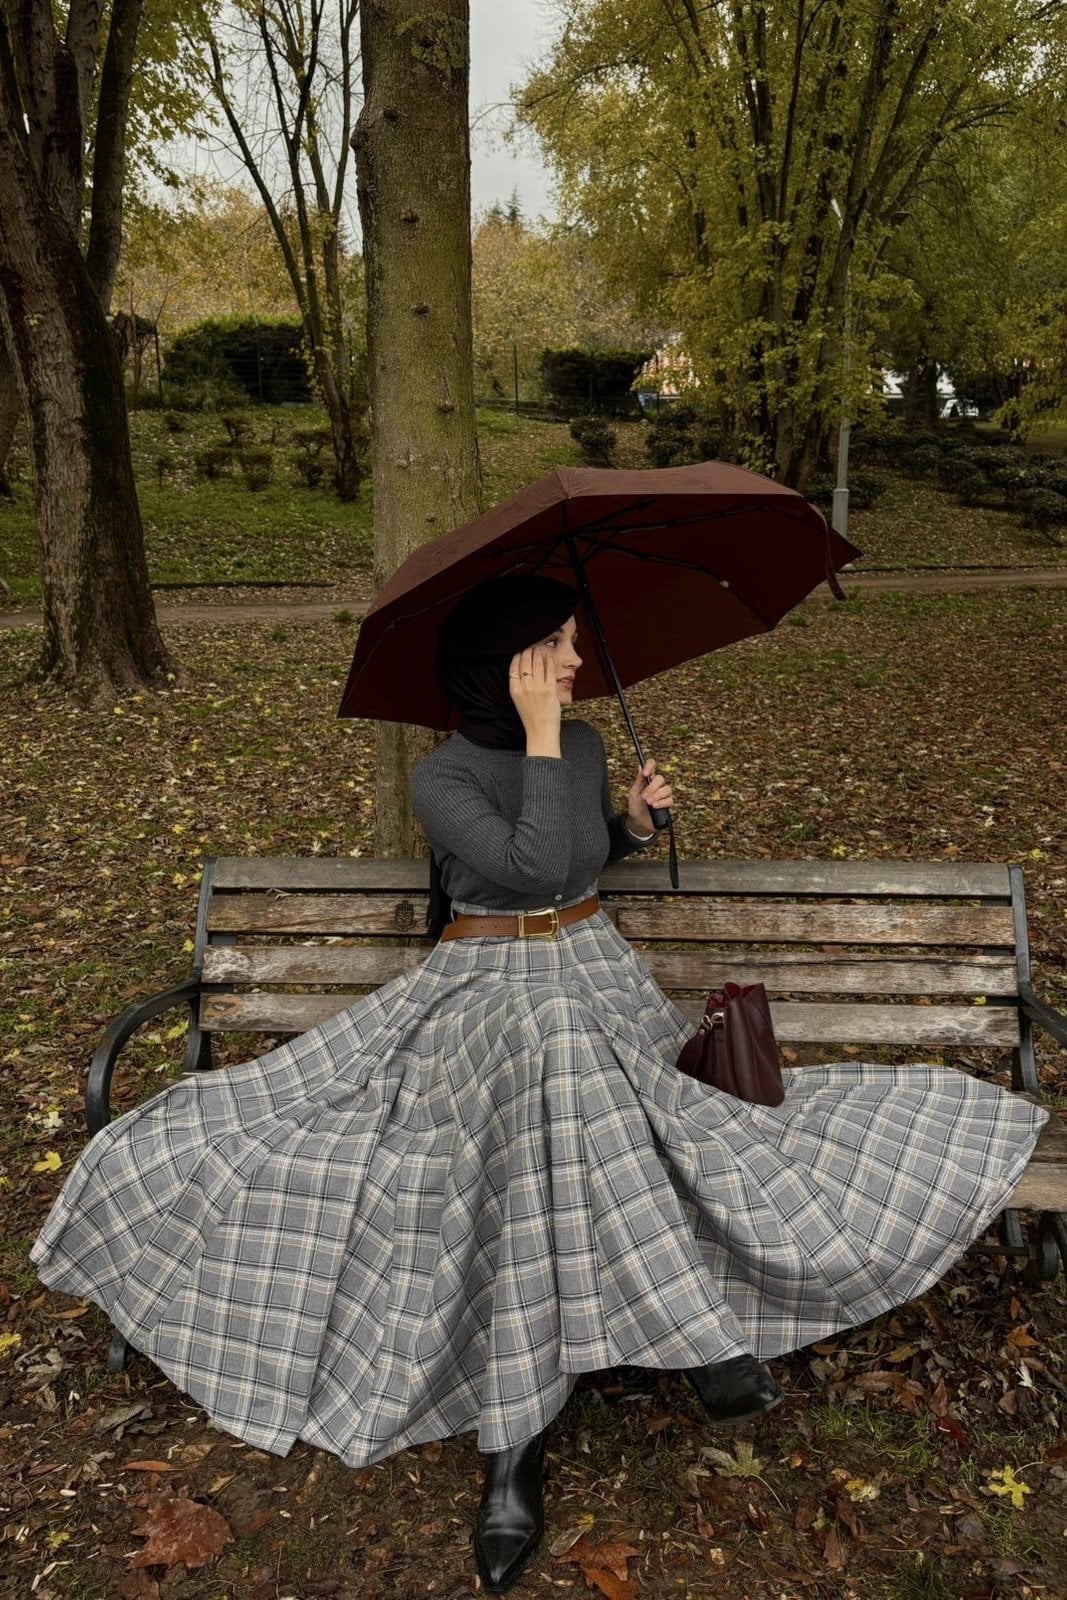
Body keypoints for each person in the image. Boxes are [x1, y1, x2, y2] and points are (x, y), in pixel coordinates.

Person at [30, 575, 1048, 1598]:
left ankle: (512, 1450)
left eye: (570, 642)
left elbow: (573, 861)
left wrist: (633, 827)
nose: (574, 661)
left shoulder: (585, 743)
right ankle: (686, 1356)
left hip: (594, 980)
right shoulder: (442, 775)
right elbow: (524, 868)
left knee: (556, 1059)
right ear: (502, 661)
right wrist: (544, 739)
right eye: (553, 644)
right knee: (546, 1049)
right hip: (477, 989)